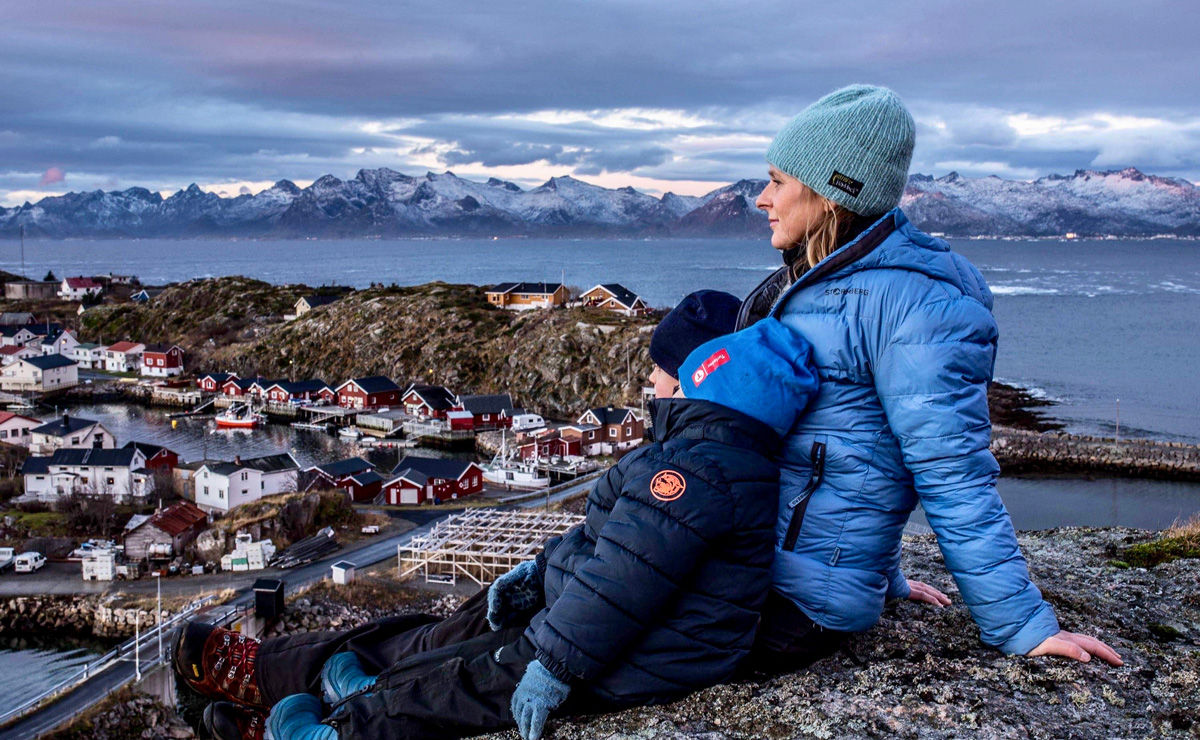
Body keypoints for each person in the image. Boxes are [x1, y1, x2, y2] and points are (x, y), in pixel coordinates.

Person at [176, 289, 822, 740]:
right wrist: (540, 569)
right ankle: (325, 687)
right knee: (456, 631)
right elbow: (624, 547)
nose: (648, 387)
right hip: (598, 615)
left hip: (610, 640)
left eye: (658, 372)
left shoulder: (698, 466)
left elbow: (628, 572)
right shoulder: (716, 455)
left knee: (464, 668)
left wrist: (556, 655)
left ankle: (311, 698)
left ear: (697, 377)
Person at [738, 83, 1122, 672]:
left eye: (777, 180)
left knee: (617, 654)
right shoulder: (827, 279)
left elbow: (951, 470)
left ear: (830, 194)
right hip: (769, 569)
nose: (762, 199)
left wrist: (1017, 621)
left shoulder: (915, 305)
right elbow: (855, 449)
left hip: (796, 602)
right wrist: (885, 576)